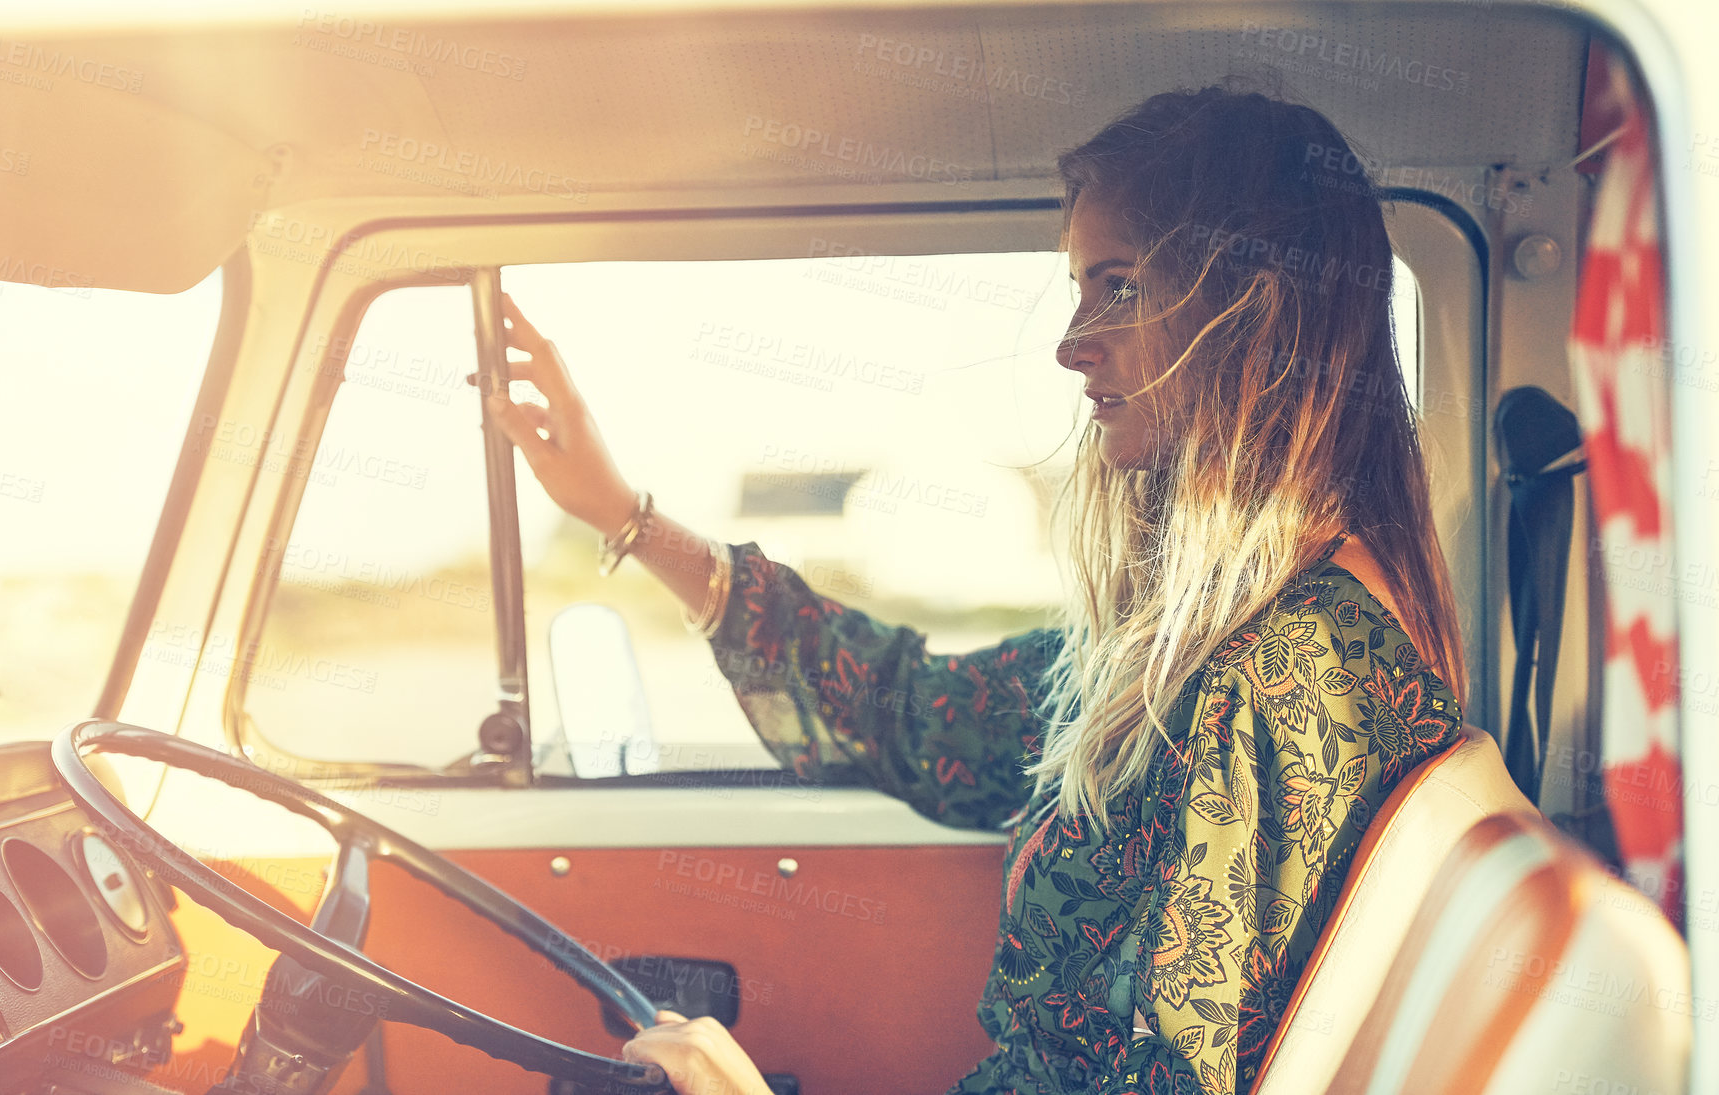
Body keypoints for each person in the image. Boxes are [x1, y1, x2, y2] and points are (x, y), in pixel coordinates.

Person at [486, 85, 1467, 1095]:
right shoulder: (1185, 648)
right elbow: (918, 713)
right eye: (1083, 288)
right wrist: (627, 518)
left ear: (1253, 312)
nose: (1072, 341)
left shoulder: (1293, 672)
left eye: (1120, 286)